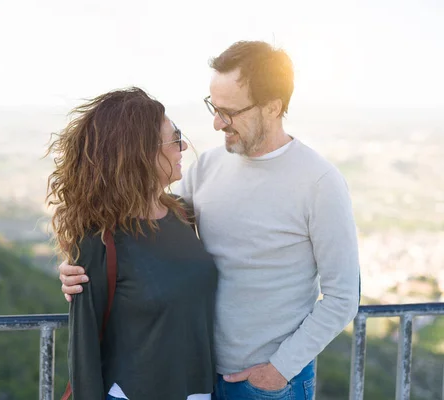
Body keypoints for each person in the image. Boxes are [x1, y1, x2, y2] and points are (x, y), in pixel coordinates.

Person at [58, 41, 361, 400]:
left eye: (229, 112)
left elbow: (343, 297)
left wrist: (279, 370)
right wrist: (82, 273)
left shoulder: (319, 182)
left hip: (266, 385)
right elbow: (145, 229)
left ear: (273, 107)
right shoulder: (207, 167)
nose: (217, 123)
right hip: (198, 379)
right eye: (213, 108)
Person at [46, 87, 218, 400]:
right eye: (174, 137)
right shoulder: (100, 239)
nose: (184, 146)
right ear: (142, 153)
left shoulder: (184, 214)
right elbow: (83, 353)